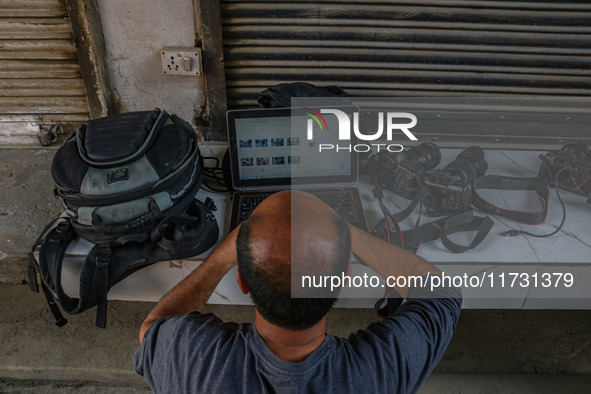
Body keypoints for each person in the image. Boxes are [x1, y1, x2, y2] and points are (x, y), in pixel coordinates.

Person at [134, 190, 462, 393]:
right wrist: (343, 232)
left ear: (243, 281)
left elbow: (153, 329)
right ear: (343, 278)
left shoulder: (192, 358)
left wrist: (224, 254)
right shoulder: (380, 370)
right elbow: (441, 292)